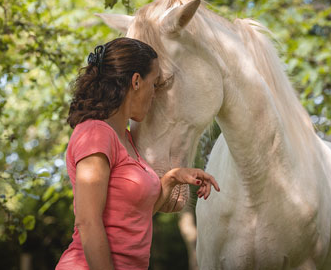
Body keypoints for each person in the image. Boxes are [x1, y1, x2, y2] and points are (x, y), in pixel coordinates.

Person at [56, 37, 220, 270]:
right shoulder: (95, 133)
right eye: (154, 84)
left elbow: (135, 216)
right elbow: (88, 222)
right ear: (135, 81)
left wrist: (173, 177)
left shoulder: (126, 139)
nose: (154, 95)